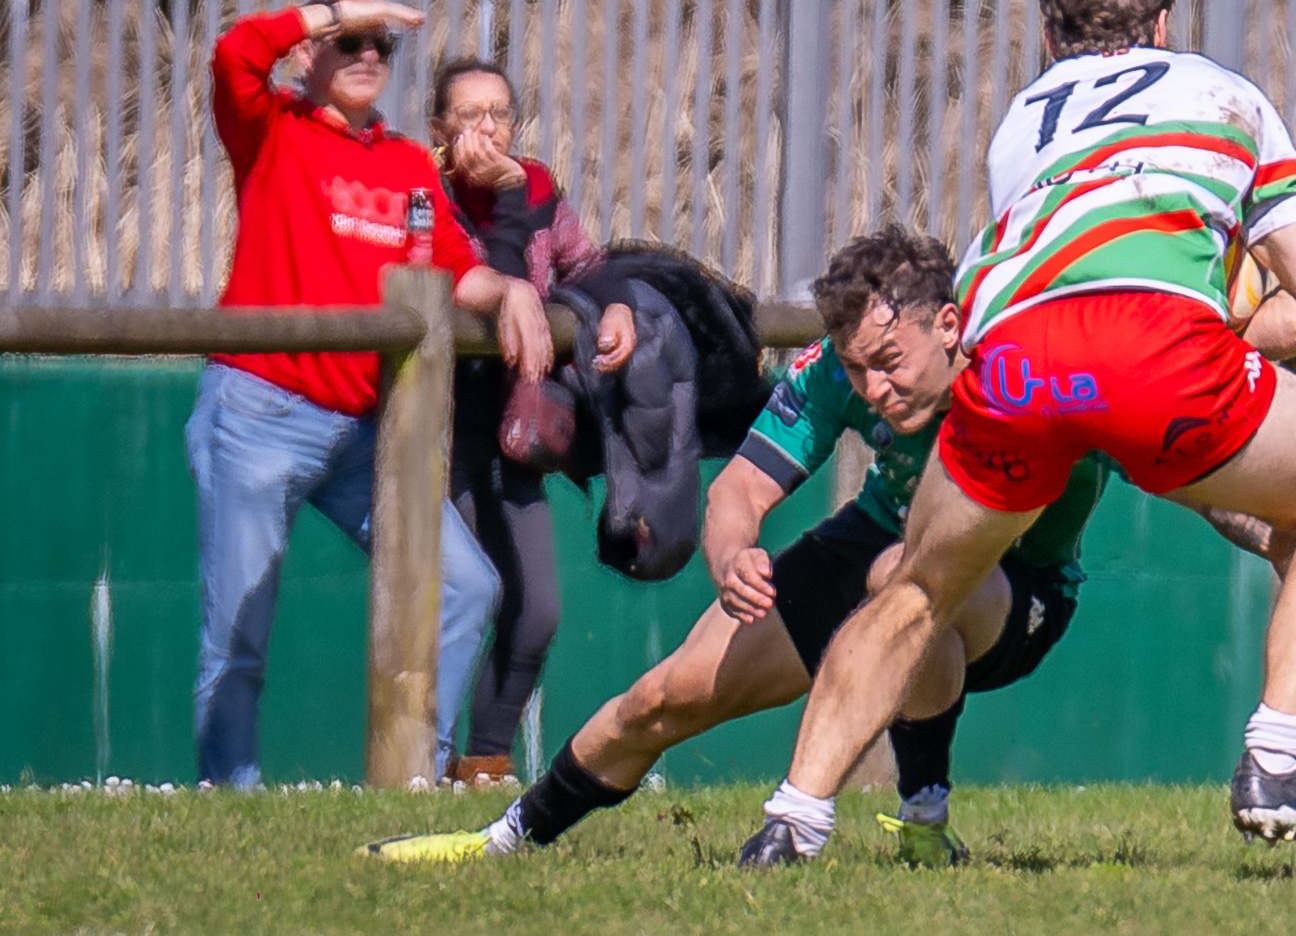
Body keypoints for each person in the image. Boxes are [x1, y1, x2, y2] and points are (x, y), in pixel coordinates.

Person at [734, 0, 1296, 864]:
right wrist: (1219, 343)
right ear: (1164, 24)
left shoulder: (1024, 121)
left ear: (1048, 33)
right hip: (1157, 347)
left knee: (917, 588)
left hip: (1008, 360)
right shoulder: (1225, 96)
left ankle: (794, 819)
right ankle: (1279, 762)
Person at [361, 227, 1106, 866]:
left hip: (1018, 583)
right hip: (881, 540)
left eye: (889, 361)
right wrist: (732, 557)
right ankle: (504, 839)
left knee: (904, 580)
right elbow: (737, 493)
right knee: (662, 698)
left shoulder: (1034, 366)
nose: (873, 387)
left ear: (949, 325)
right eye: (856, 368)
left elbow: (1181, 460)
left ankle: (915, 818)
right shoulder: (836, 373)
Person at [189, 0, 553, 789]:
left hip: (362, 432)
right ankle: (228, 798)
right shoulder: (272, 128)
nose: (365, 55)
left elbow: (460, 270)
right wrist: (325, 8)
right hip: (257, 409)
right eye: (346, 41)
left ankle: (415, 774)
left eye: (381, 46)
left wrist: (513, 293)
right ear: (308, 54)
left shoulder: (406, 163)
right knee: (239, 632)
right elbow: (232, 55)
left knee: (468, 584)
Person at [427, 57, 635, 783]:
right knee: (453, 597)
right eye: (470, 117)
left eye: (500, 116)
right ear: (439, 130)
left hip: (520, 430)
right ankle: (419, 758)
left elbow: (584, 264)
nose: (488, 132)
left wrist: (613, 304)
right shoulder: (426, 194)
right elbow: (485, 280)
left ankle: (483, 757)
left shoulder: (537, 185)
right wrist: (507, 205)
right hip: (437, 427)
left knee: (537, 608)